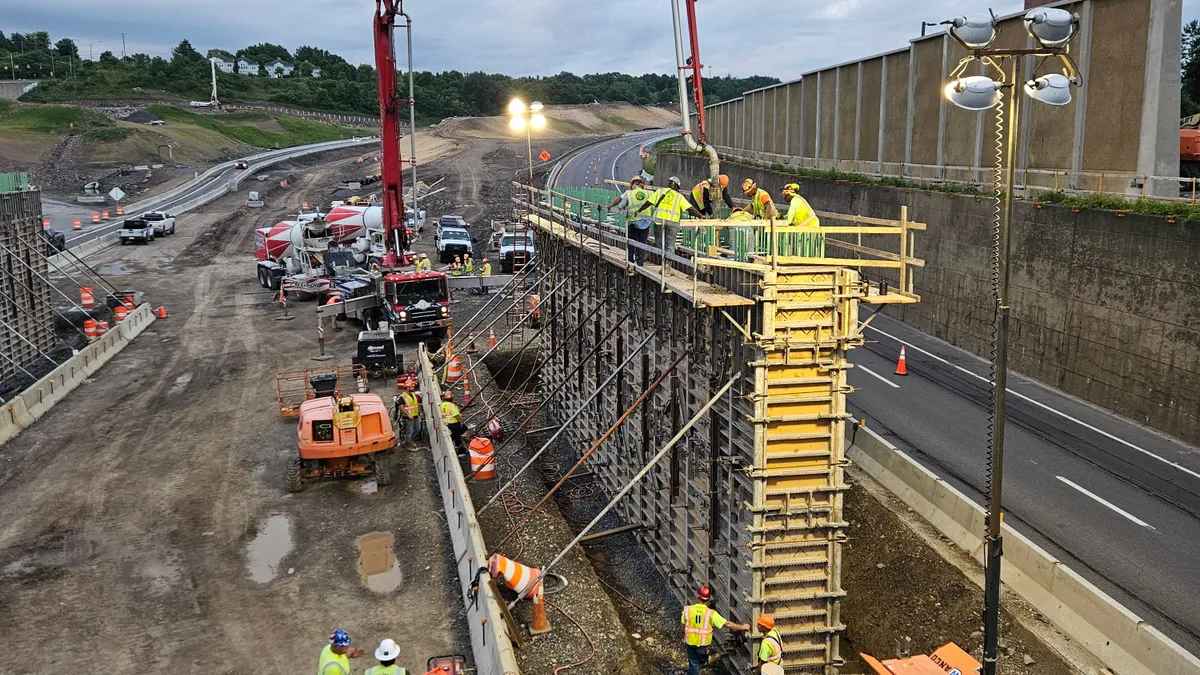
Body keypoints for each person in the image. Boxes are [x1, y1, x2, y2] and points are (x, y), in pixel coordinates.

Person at [681, 584, 749, 675]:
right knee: (698, 663)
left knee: (694, 663)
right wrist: (742, 627)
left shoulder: (687, 610)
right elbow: (728, 624)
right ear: (708, 599)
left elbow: (683, 627)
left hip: (690, 642)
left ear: (698, 596)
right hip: (702, 645)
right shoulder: (711, 614)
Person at [635, 175, 702, 257]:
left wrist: (639, 210)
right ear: (677, 187)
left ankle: (660, 263)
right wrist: (700, 215)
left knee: (659, 244)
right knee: (670, 246)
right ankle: (667, 265)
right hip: (672, 223)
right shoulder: (679, 196)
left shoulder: (660, 192)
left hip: (659, 222)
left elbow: (648, 202)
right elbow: (689, 208)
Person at [608, 175, 656, 265]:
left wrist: (611, 205)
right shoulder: (649, 193)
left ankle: (630, 261)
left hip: (633, 222)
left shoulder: (629, 193)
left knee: (631, 242)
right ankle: (640, 262)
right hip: (645, 223)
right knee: (642, 243)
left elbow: (620, 204)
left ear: (633, 184)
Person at [395, 380, 422, 451]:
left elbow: (416, 404)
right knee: (409, 430)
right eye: (411, 386)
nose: (413, 387)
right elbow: (401, 407)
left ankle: (409, 439)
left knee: (418, 428)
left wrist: (420, 412)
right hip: (408, 417)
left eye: (413, 386)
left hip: (415, 415)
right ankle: (408, 442)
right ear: (407, 387)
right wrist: (409, 414)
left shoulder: (413, 394)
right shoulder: (402, 397)